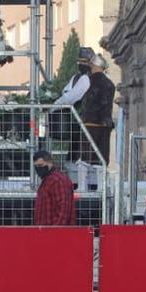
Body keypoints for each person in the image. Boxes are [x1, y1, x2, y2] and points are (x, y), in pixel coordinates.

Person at [54, 48, 116, 188]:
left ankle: (82, 188)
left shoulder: (87, 80)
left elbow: (71, 97)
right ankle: (101, 188)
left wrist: (54, 105)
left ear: (93, 66)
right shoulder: (110, 83)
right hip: (105, 126)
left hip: (90, 124)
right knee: (101, 158)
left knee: (84, 158)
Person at [32, 144, 78, 226]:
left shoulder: (58, 180)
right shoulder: (49, 180)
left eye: (41, 165)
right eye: (36, 166)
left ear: (50, 162)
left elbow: (63, 210)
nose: (38, 169)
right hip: (47, 232)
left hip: (54, 233)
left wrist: (56, 231)